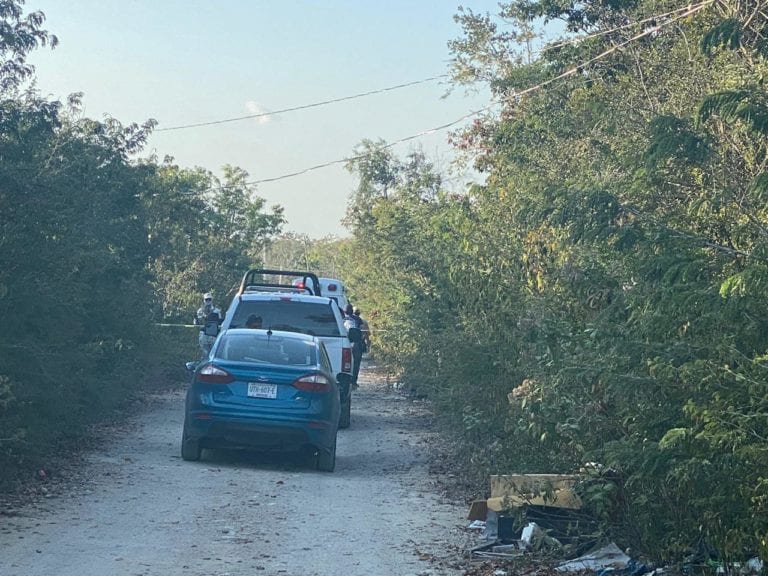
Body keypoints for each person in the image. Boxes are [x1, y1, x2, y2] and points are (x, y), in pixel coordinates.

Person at [195, 292, 222, 358]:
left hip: (213, 334)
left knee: (213, 353)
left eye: (209, 299)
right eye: (206, 299)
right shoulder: (200, 311)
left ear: (212, 300)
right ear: (204, 300)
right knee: (204, 353)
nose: (208, 301)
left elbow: (220, 322)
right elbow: (196, 323)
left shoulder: (217, 311)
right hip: (203, 334)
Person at [343, 303, 364, 388]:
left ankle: (345, 380)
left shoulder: (342, 319)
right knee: (356, 363)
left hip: (345, 342)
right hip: (356, 344)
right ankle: (354, 381)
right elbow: (362, 330)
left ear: (344, 311)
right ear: (352, 311)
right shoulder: (358, 319)